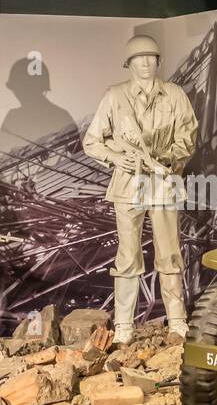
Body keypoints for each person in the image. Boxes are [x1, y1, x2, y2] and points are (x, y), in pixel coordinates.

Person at [83, 35, 198, 343]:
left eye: (151, 58)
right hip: (128, 184)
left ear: (158, 62)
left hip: (163, 182)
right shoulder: (115, 96)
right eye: (139, 58)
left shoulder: (174, 95)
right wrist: (117, 157)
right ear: (129, 63)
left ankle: (177, 320)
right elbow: (92, 141)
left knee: (170, 253)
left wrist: (167, 160)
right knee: (128, 256)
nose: (146, 63)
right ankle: (123, 325)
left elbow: (187, 137)